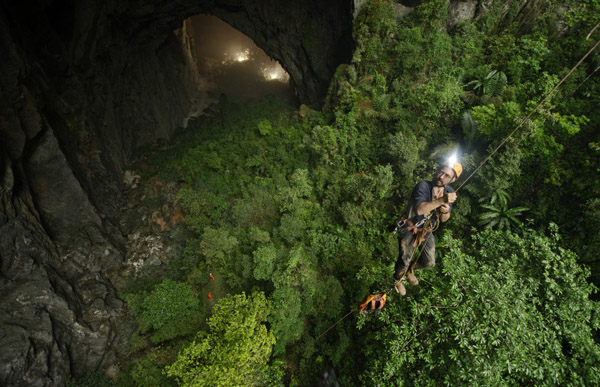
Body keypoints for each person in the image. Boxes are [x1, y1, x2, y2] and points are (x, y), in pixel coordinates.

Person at [392, 162, 462, 295]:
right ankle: (397, 279)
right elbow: (420, 210)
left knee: (429, 262)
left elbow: (443, 219)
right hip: (409, 226)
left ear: (452, 180)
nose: (441, 176)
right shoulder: (423, 186)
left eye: (446, 175)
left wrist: (445, 211)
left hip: (426, 229)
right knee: (404, 258)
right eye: (441, 172)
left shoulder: (449, 192)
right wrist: (441, 201)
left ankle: (410, 270)